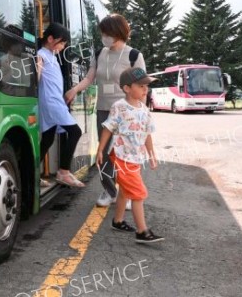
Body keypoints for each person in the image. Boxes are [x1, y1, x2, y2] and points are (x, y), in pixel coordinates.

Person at [65, 14, 146, 208]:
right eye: (103, 33)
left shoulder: (134, 55)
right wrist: (75, 89)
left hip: (126, 112)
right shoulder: (100, 53)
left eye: (106, 32)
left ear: (117, 32)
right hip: (103, 110)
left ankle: (126, 192)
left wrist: (142, 113)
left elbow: (142, 86)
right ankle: (110, 191)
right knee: (103, 154)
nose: (104, 36)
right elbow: (89, 78)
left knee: (125, 154)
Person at [96, 67, 164, 243]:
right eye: (141, 86)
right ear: (127, 88)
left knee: (126, 192)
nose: (145, 89)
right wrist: (100, 150)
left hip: (135, 157)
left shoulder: (144, 109)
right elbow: (108, 128)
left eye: (146, 86)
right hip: (121, 155)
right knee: (138, 193)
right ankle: (142, 231)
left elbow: (147, 133)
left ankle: (117, 221)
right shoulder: (119, 107)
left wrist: (152, 154)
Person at [37, 23, 85, 188]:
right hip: (51, 102)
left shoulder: (52, 55)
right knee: (75, 132)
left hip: (54, 101)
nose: (63, 47)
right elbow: (37, 76)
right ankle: (63, 172)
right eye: (62, 43)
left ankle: (31, 174)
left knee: (48, 139)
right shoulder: (41, 54)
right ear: (50, 39)